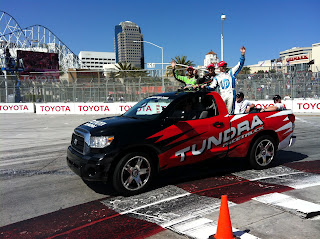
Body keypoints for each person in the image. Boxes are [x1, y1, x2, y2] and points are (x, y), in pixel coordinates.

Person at [207, 46, 246, 114]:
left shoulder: (230, 73)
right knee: (222, 112)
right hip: (222, 95)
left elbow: (239, 65)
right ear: (219, 67)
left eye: (225, 65)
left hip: (230, 94)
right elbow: (211, 87)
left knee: (230, 112)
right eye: (222, 66)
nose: (224, 67)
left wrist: (242, 55)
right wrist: (205, 87)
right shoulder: (217, 77)